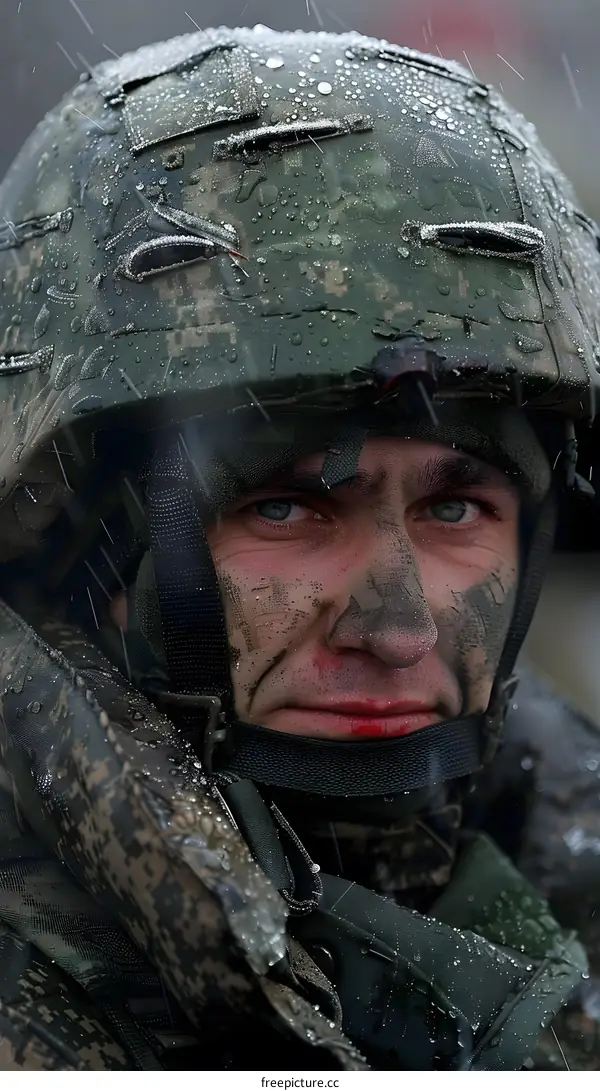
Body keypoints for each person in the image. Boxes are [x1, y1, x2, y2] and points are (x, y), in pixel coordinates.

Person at [0, 24, 598, 1071]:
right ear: (86, 543)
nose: (399, 626)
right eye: (286, 507)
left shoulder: (564, 874)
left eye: (457, 509)